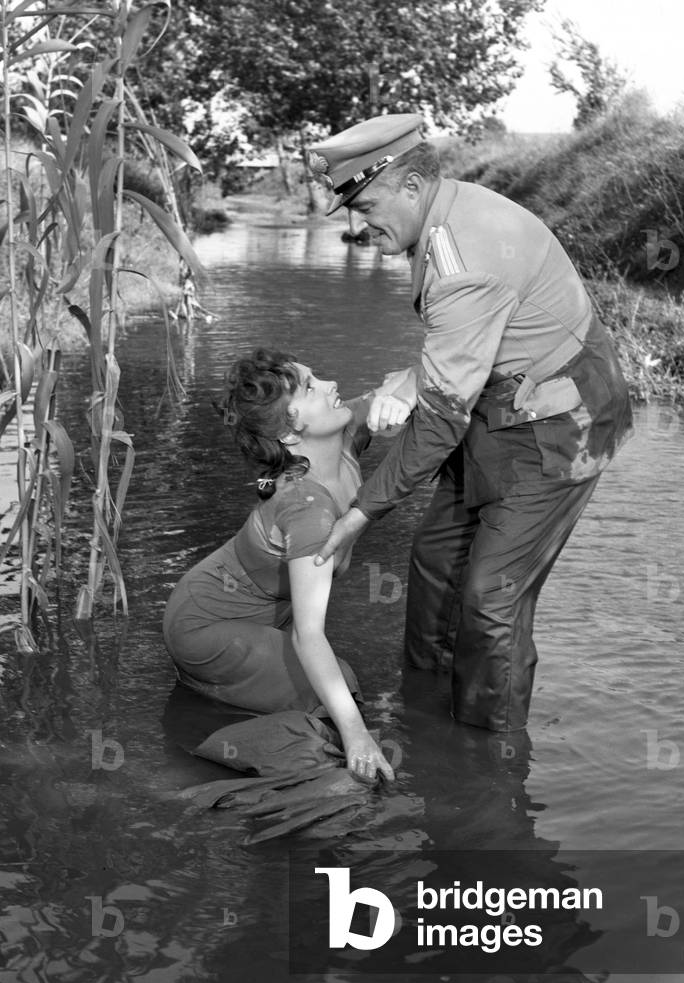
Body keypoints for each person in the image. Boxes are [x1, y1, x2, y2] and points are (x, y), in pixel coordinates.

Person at [306, 113, 634, 733]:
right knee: (435, 567)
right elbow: (463, 356)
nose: (361, 223)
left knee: (490, 599)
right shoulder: (437, 218)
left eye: (366, 204)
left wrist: (358, 517)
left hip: (562, 424)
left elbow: (438, 420)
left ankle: (488, 761)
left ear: (410, 185)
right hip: (500, 406)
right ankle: (427, 724)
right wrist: (394, 392)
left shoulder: (462, 259)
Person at [163, 348, 409, 782]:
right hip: (203, 624)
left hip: (250, 617)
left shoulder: (344, 433)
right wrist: (358, 737)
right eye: (312, 388)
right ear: (292, 435)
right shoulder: (306, 508)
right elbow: (308, 633)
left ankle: (222, 704)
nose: (332, 385)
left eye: (316, 377)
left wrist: (398, 399)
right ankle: (212, 755)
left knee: (333, 695)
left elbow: (416, 376)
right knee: (337, 698)